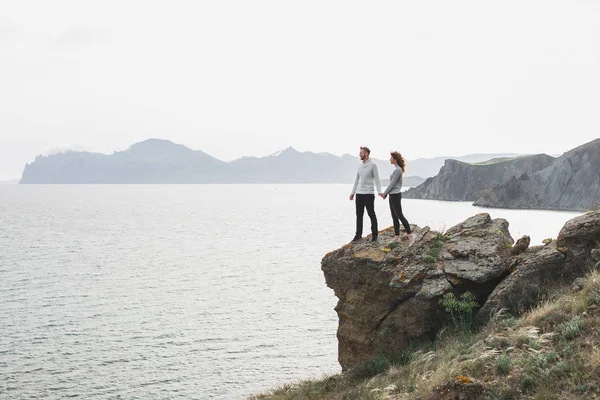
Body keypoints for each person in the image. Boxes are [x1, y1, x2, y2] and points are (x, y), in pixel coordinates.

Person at [380, 151, 415, 246]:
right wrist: (387, 194)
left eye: (391, 158)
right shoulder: (397, 169)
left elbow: (392, 183)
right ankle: (397, 237)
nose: (389, 159)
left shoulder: (397, 170)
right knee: (394, 216)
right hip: (392, 195)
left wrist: (384, 193)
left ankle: (410, 236)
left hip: (395, 195)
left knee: (399, 215)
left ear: (394, 159)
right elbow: (392, 185)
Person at [350, 146, 383, 243]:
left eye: (361, 153)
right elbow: (357, 180)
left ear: (367, 154)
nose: (359, 154)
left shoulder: (373, 165)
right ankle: (358, 235)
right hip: (359, 194)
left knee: (371, 214)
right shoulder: (359, 166)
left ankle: (374, 235)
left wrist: (379, 191)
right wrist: (353, 193)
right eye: (360, 152)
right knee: (359, 216)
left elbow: (377, 179)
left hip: (369, 194)